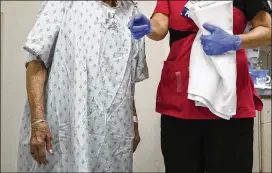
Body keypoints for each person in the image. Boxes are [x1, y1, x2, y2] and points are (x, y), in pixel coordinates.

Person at [129, 0, 271, 173]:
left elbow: (267, 29)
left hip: (231, 103)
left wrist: (235, 41)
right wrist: (148, 26)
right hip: (180, 102)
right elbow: (160, 25)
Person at [17, 0, 148, 172]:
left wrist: (133, 120)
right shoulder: (63, 4)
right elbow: (36, 61)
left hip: (114, 133)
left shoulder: (132, 13)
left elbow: (127, 77)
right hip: (66, 130)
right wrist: (38, 122)